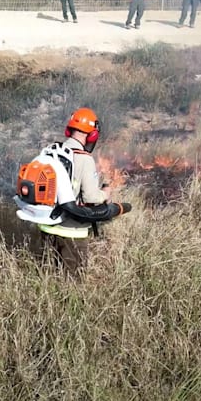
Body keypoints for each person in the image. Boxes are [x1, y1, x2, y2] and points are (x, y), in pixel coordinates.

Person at [37, 108, 116, 277]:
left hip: (47, 227)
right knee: (72, 284)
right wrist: (106, 193)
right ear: (92, 135)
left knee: (48, 278)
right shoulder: (84, 159)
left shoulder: (52, 151)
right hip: (72, 231)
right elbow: (91, 198)